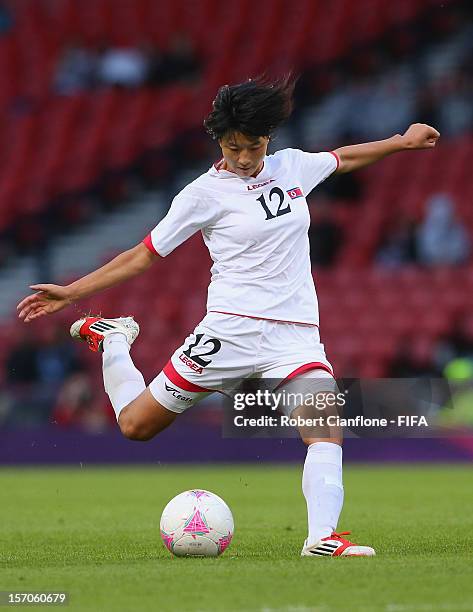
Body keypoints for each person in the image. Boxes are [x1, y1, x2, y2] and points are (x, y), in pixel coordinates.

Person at [17, 76, 440, 558]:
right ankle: (114, 341)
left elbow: (344, 158)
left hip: (294, 335)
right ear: (219, 141)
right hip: (229, 330)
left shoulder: (292, 166)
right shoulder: (202, 195)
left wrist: (401, 143)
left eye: (254, 146)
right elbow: (143, 255)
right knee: (136, 426)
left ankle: (321, 538)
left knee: (324, 420)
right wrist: (71, 291)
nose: (244, 157)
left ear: (269, 139)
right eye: (233, 146)